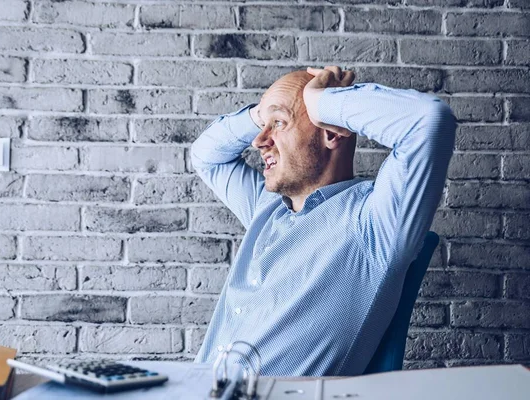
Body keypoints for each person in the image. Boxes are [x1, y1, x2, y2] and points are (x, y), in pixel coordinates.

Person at [190, 66, 456, 376]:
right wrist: (261, 113)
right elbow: (205, 155)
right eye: (263, 126)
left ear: (330, 132)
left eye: (278, 123)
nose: (259, 141)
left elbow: (429, 122)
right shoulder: (265, 208)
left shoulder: (375, 224)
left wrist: (321, 101)